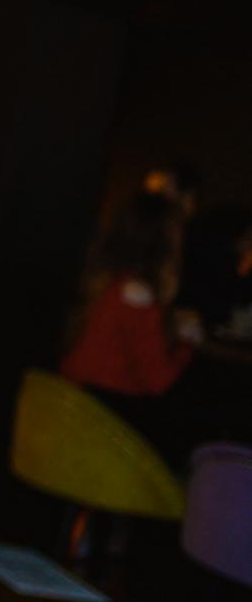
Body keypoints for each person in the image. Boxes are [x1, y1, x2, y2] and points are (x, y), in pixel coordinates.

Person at [62, 189, 203, 459]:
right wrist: (188, 342)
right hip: (107, 423)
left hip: (76, 410)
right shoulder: (138, 294)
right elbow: (158, 382)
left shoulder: (108, 282)